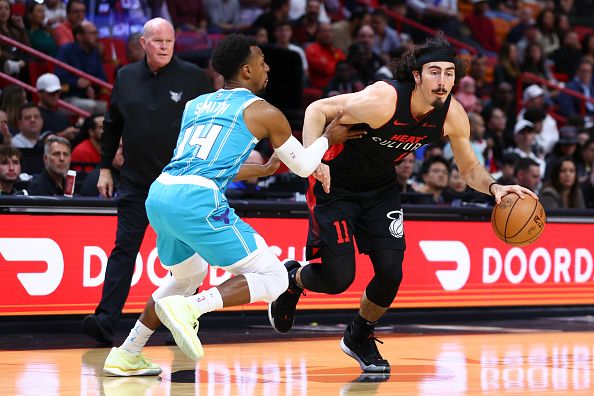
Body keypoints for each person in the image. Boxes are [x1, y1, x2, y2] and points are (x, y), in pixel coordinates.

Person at [268, 33, 537, 373]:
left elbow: (469, 168)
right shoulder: (383, 99)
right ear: (417, 76)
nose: (443, 82)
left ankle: (359, 335)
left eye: (449, 73)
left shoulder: (452, 114)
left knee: (391, 273)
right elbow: (317, 108)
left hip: (380, 190)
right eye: (435, 72)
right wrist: (312, 159)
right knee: (338, 279)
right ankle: (293, 279)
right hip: (335, 184)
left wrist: (495, 187)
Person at [101, 33, 360, 376]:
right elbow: (302, 166)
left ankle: (127, 352)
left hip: (162, 191)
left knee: (185, 276)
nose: (268, 67)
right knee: (274, 277)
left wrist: (265, 169)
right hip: (196, 199)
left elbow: (207, 160)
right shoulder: (265, 112)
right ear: (247, 70)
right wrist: (329, 137)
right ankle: (192, 308)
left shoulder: (197, 104)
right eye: (262, 61)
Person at [81, 17, 213, 346]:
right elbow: (111, 124)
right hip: (136, 183)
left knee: (184, 258)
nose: (165, 46)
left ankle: (184, 322)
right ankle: (105, 319)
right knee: (124, 250)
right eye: (158, 41)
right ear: (143, 43)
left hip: (180, 185)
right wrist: (105, 168)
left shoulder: (194, 78)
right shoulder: (125, 77)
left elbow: (209, 125)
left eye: (169, 40)